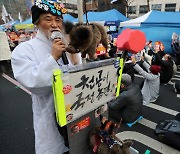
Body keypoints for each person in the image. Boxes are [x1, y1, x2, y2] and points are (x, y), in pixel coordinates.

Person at [11, 1, 70, 154]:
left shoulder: (66, 47)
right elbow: (33, 82)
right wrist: (53, 58)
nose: (55, 25)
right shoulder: (23, 50)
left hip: (72, 113)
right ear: (37, 22)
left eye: (58, 20)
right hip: (48, 117)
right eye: (48, 19)